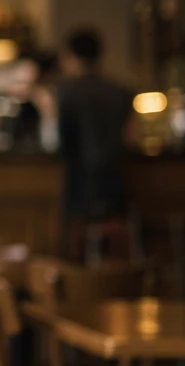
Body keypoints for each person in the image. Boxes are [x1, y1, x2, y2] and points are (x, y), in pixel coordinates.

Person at [55, 27, 135, 262]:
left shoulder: (66, 91)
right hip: (116, 181)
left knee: (75, 253)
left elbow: (61, 141)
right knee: (116, 254)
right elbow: (130, 137)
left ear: (70, 56)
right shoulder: (121, 92)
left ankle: (81, 292)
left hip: (79, 183)